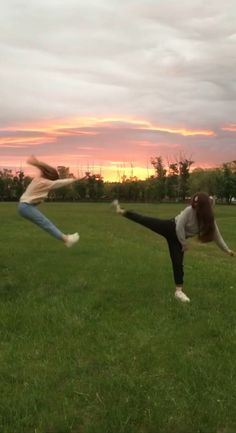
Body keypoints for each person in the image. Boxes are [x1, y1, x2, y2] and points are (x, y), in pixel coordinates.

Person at [112, 193, 235, 303]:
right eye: (194, 202)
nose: (194, 205)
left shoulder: (209, 221)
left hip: (178, 239)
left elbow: (217, 236)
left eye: (198, 203)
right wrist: (183, 243)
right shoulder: (189, 210)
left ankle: (178, 292)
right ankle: (122, 211)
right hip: (170, 227)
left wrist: (227, 250)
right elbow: (179, 226)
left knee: (177, 263)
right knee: (145, 220)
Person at [18, 156, 79, 247]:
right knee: (45, 223)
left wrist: (38, 163)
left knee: (44, 223)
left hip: (25, 206)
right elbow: (58, 183)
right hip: (26, 206)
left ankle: (66, 238)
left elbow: (46, 170)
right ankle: (67, 240)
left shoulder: (38, 180)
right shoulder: (45, 182)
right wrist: (74, 180)